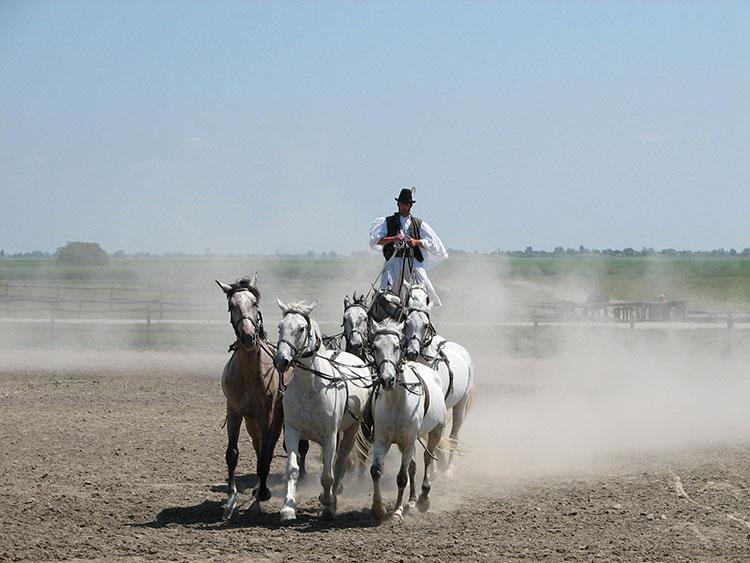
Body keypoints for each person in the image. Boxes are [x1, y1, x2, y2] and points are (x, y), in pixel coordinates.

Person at [369, 187, 448, 306]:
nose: (404, 206)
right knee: (385, 293)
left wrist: (416, 242)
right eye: (402, 203)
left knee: (423, 288)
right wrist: (394, 238)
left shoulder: (418, 224)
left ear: (411, 205)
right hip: (393, 262)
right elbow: (376, 241)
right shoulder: (387, 221)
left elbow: (432, 243)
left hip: (412, 261)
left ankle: (425, 318)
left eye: (406, 204)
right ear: (398, 204)